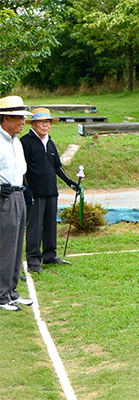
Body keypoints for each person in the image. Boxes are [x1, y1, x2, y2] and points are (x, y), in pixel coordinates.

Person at [21, 108, 80, 273]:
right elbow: (21, 169)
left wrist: (70, 182)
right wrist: (26, 189)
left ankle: (50, 256)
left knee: (50, 225)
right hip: (34, 193)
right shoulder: (25, 142)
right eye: (41, 122)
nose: (45, 125)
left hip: (51, 191)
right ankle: (33, 260)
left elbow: (57, 167)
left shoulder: (50, 142)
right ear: (33, 123)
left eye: (47, 122)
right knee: (35, 227)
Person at [0, 96, 34, 311]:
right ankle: (2, 296)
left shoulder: (17, 142)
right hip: (3, 198)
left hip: (18, 194)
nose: (23, 121)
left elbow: (20, 170)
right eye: (19, 117)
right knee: (5, 246)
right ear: (5, 118)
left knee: (16, 244)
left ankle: (12, 291)